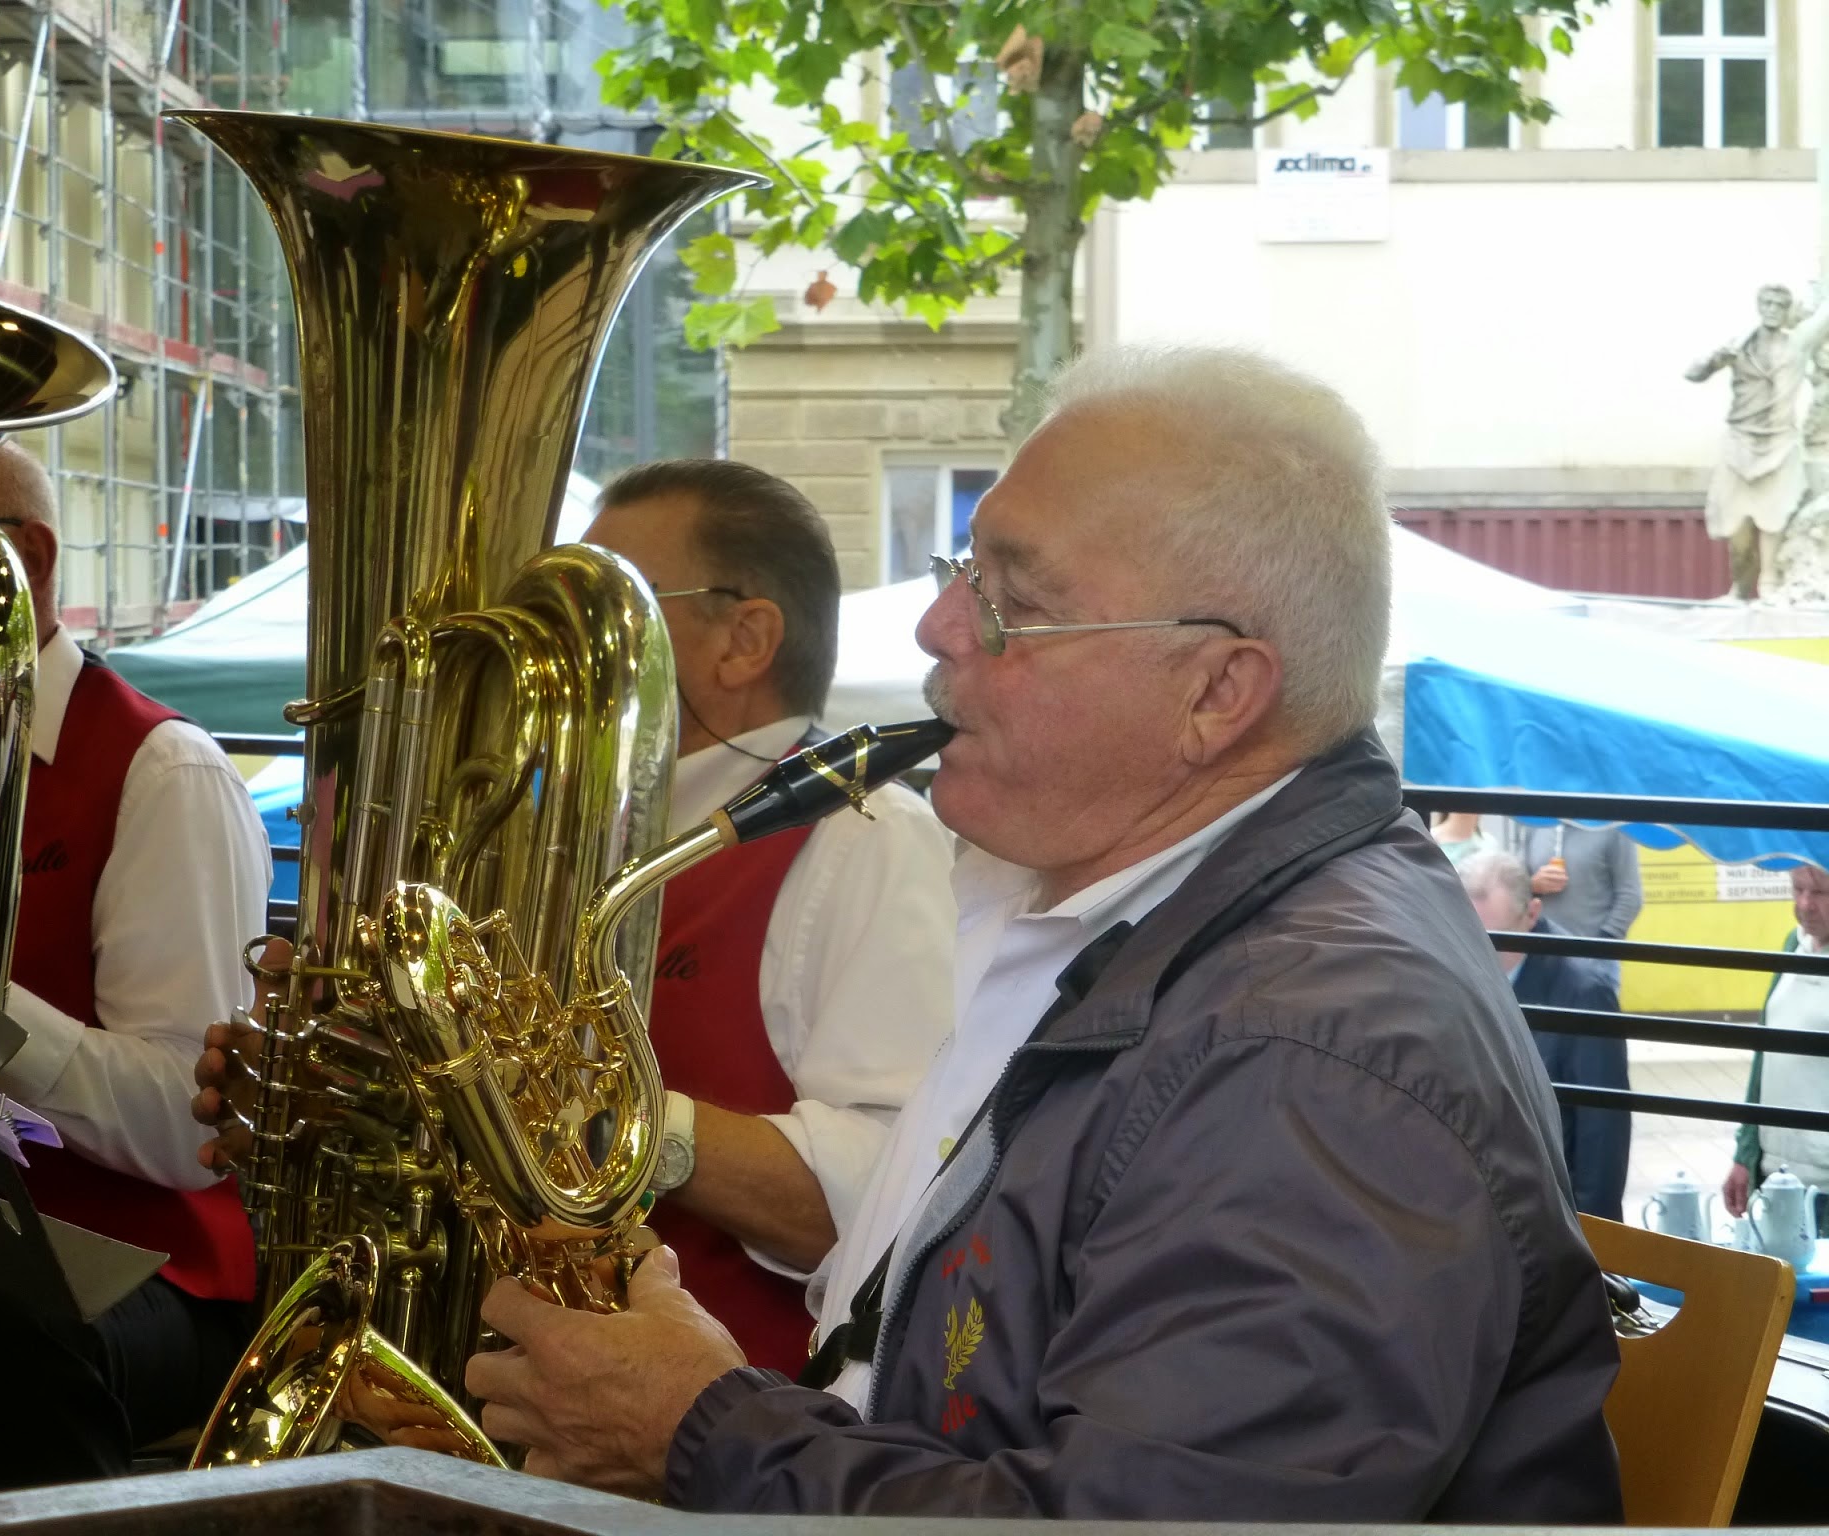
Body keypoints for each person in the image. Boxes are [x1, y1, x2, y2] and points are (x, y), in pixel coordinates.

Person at [457, 345, 1624, 1520]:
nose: (934, 626)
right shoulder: (1108, 905)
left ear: (1217, 693)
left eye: (1012, 602)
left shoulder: (1306, 1059)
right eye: (962, 567)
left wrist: (699, 1430)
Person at [194, 459, 957, 1378]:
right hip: (454, 1380)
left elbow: (889, 1193)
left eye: (610, 611)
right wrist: (319, 1094)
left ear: (745, 639)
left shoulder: (866, 841)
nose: (554, 644)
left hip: (693, 1458)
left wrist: (603, 1118)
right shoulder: (525, 828)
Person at [0, 442, 271, 1492]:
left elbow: (188, 1130)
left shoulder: (162, 770)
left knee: (19, 1333)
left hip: (151, 1267)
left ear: (29, 561)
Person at [1460, 850, 1630, 1222]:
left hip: (1552, 1218)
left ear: (1533, 914)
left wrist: (1596, 1242)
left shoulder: (1584, 992)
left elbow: (1601, 1134)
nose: (1480, 951)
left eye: (1496, 938)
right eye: (1468, 934)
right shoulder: (1454, 976)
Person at [1686, 283, 1829, 601]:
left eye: (1780, 305)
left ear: (1787, 310)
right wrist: (1715, 360)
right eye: (1768, 303)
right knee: (1736, 529)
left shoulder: (1797, 345)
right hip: (1741, 442)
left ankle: (1768, 585)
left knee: (1773, 519)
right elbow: (1693, 373)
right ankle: (1738, 587)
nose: (1773, 310)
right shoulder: (1740, 344)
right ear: (1759, 306)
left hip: (1779, 444)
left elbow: (1825, 316)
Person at [1723, 863, 1829, 1227]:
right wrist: (1745, 1154)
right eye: (1797, 889)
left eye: (1819, 893)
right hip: (1776, 1177)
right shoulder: (1792, 945)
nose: (1805, 904)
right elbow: (1765, 1056)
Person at [1502, 821, 1643, 981]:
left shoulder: (1613, 827)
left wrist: (1602, 946)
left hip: (1594, 961)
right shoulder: (1536, 825)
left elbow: (1631, 897)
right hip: (1539, 957)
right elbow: (1515, 888)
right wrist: (1533, 885)